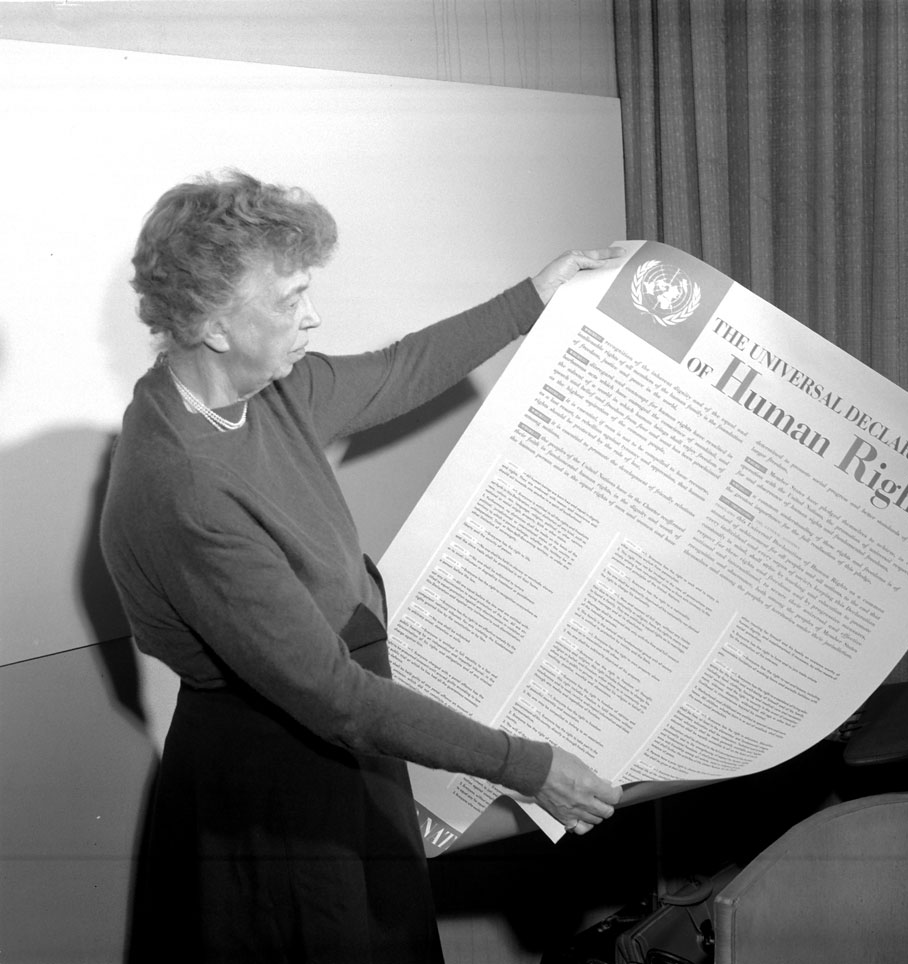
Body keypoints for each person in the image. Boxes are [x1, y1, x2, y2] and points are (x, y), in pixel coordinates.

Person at [99, 170, 623, 963]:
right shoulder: (183, 485)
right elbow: (335, 697)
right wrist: (531, 767)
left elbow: (401, 369)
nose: (313, 317)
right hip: (276, 778)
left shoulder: (268, 389)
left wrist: (532, 297)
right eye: (289, 300)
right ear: (211, 323)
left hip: (342, 733)